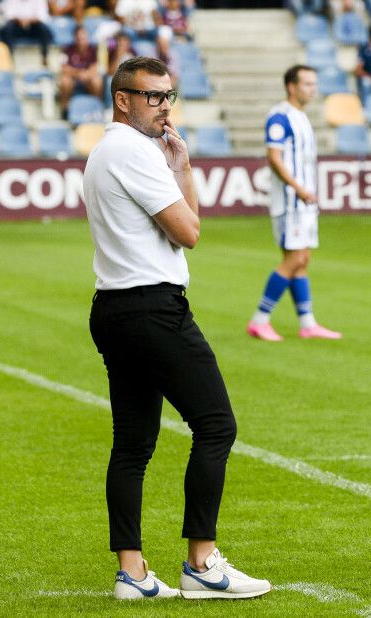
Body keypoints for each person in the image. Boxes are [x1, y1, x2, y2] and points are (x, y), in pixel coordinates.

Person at [84, 57, 272, 601]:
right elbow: (189, 231)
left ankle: (133, 574)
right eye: (153, 96)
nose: (165, 106)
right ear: (123, 99)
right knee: (216, 425)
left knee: (133, 444)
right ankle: (202, 562)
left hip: (115, 306)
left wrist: (182, 165)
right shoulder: (130, 150)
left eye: (170, 96)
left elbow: (185, 225)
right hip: (152, 308)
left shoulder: (109, 150)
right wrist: (176, 173)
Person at [246, 65, 341, 341]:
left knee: (303, 259)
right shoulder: (280, 117)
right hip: (290, 201)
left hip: (303, 200)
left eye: (314, 83)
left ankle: (308, 323)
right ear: (292, 86)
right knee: (294, 258)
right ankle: (260, 320)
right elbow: (274, 158)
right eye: (308, 84)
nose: (313, 89)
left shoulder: (300, 117)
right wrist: (298, 188)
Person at [58, 26, 104, 113]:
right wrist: (78, 73)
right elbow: (64, 68)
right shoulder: (67, 49)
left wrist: (86, 74)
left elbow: (95, 68)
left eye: (83, 37)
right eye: (79, 37)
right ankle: (65, 109)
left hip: (87, 78)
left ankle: (97, 107)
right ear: (75, 38)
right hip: (73, 78)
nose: (81, 40)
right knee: (64, 81)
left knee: (97, 81)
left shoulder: (93, 50)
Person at [0, 0, 54, 66]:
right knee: (7, 29)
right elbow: (8, 16)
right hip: (17, 27)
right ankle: (9, 57)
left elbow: (43, 17)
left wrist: (29, 21)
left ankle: (45, 56)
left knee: (44, 29)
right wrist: (21, 21)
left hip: (33, 27)